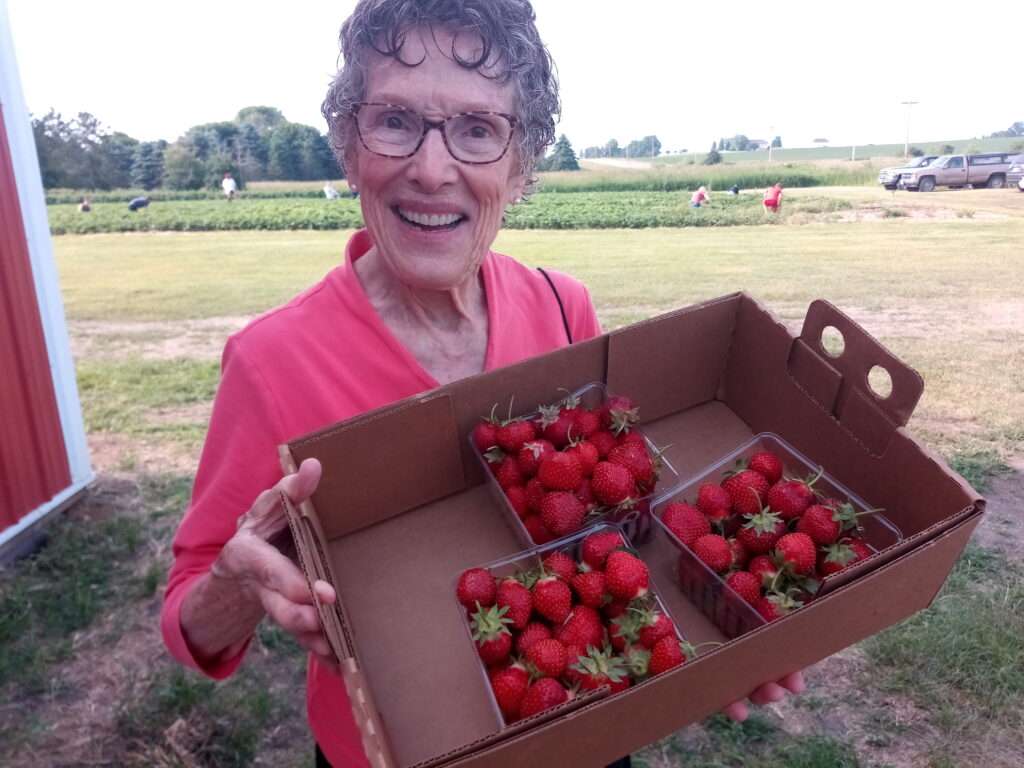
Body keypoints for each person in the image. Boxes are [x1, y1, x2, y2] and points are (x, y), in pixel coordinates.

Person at [160, 3, 804, 767]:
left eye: (477, 129)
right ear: (348, 144)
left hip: (582, 726)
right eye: (395, 120)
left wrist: (716, 629)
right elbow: (192, 624)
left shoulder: (564, 305)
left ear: (520, 165)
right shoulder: (272, 360)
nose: (432, 169)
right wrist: (237, 582)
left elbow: (614, 530)